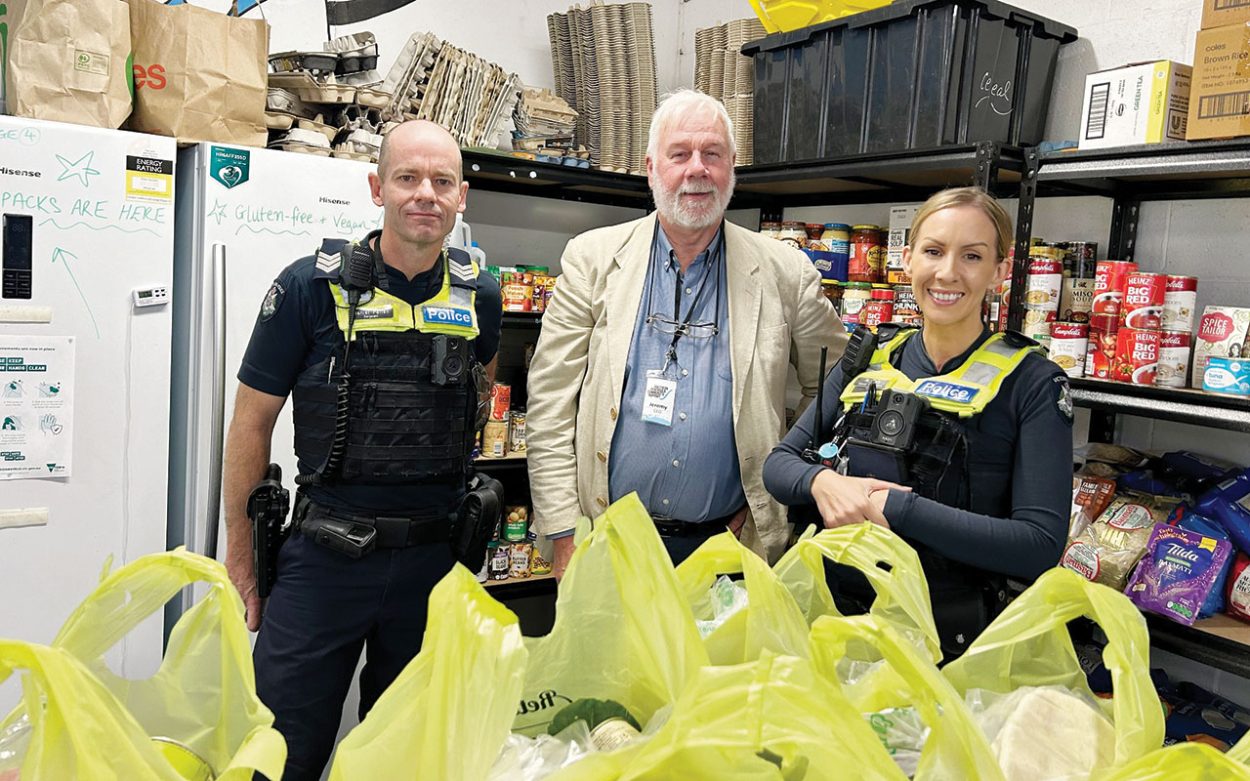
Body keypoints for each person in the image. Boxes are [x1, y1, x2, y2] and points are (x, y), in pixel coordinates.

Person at [221, 120, 502, 781]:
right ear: (378, 187)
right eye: (407, 178)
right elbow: (250, 423)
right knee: (277, 757)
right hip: (324, 562)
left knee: (410, 759)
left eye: (441, 181)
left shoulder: (481, 294)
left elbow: (477, 400)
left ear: (463, 196)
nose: (424, 194)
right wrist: (240, 548)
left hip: (435, 565)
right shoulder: (306, 288)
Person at [526, 89, 845, 574]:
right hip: (609, 547)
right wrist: (563, 532)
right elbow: (550, 401)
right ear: (652, 168)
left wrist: (781, 479)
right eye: (680, 154)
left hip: (735, 548)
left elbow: (834, 387)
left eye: (712, 154)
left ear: (731, 168)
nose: (697, 169)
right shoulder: (591, 258)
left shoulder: (786, 272)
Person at [763, 186, 1072, 660]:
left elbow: (1038, 544)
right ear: (908, 261)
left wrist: (896, 509)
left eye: (972, 256)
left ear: (1000, 273)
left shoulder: (1032, 382)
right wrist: (824, 482)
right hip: (834, 627)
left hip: (949, 648)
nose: (948, 272)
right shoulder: (869, 356)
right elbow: (779, 465)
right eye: (933, 251)